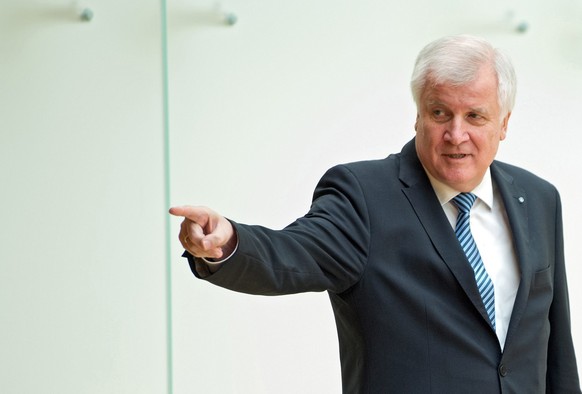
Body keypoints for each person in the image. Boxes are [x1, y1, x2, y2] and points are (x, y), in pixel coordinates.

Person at [169, 35, 581, 393]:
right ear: (418, 114)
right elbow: (295, 252)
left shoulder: (539, 198)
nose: (456, 134)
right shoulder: (364, 197)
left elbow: (555, 347)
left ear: (504, 123)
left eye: (474, 116)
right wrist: (227, 242)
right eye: (440, 113)